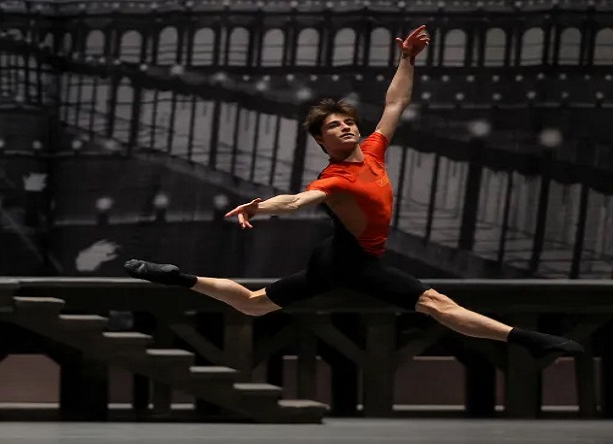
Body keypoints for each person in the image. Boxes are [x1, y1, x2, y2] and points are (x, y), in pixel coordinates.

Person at [124, 25, 582, 359]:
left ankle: (179, 278)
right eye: (333, 126)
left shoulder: (374, 150)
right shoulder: (336, 178)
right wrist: (261, 208)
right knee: (435, 303)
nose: (345, 127)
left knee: (255, 304)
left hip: (334, 254)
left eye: (347, 122)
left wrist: (407, 60)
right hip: (351, 262)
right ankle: (529, 341)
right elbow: (298, 201)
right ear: (321, 141)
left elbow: (395, 103)